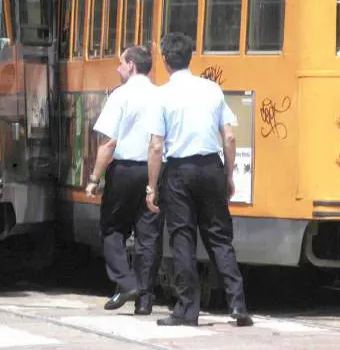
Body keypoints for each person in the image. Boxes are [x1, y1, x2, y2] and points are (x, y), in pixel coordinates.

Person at [145, 32, 253, 327]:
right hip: (211, 167)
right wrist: (228, 175)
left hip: (179, 171)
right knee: (219, 237)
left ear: (165, 60)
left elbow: (156, 145)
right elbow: (229, 136)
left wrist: (151, 187)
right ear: (190, 57)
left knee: (183, 238)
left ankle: (186, 310)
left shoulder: (162, 95)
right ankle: (238, 305)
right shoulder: (212, 89)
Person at [86, 45, 163, 314]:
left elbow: (108, 143)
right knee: (148, 235)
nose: (118, 68)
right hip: (154, 171)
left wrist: (94, 178)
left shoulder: (121, 96)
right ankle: (145, 299)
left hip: (124, 171)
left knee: (112, 228)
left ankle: (126, 281)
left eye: (120, 63)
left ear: (131, 65)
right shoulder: (160, 95)